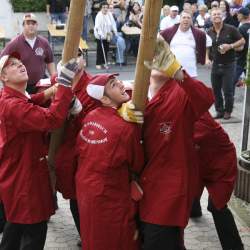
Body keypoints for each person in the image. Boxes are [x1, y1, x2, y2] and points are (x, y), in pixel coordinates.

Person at [140, 36, 214, 250]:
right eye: (151, 52)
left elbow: (206, 98)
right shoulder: (132, 92)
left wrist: (178, 73)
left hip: (168, 189)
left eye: (162, 52)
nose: (157, 58)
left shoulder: (182, 92)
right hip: (138, 187)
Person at [0, 52, 78, 250]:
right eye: (12, 65)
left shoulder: (9, 98)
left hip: (18, 177)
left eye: (20, 62)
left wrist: (50, 92)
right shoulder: (13, 105)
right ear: (3, 77)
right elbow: (52, 120)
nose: (20, 65)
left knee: (15, 226)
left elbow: (29, 102)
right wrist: (65, 86)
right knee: (34, 231)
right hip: (25, 181)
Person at [75, 73, 144, 250]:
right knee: (118, 239)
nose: (121, 85)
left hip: (86, 190)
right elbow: (137, 163)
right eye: (114, 85)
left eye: (118, 81)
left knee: (92, 236)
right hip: (111, 194)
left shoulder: (90, 117)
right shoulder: (126, 127)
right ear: (105, 99)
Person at [191, 111, 244, 250]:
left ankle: (235, 247)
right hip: (200, 161)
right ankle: (194, 210)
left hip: (221, 164)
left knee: (217, 206)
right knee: (190, 193)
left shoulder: (199, 117)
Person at [0, 13, 56, 94]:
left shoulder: (44, 42)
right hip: (23, 86)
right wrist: (6, 83)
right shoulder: (15, 43)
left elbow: (50, 61)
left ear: (37, 25)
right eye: (28, 23)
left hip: (41, 84)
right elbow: (2, 61)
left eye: (33, 23)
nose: (31, 26)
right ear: (23, 25)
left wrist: (54, 79)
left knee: (45, 104)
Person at [207, 8, 245, 120]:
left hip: (229, 64)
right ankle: (219, 111)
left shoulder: (231, 29)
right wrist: (207, 59)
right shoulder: (209, 31)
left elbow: (242, 41)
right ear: (211, 17)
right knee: (216, 90)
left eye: (218, 14)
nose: (216, 16)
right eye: (214, 14)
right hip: (215, 64)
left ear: (223, 15)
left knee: (227, 90)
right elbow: (207, 47)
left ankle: (228, 111)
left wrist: (230, 46)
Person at [161, 10, 211, 78]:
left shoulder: (198, 33)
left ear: (191, 20)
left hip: (191, 72)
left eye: (188, 18)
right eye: (184, 17)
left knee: (190, 89)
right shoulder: (169, 31)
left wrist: (206, 58)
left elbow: (208, 42)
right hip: (172, 71)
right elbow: (158, 41)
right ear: (180, 19)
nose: (186, 20)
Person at [94, 1, 118, 69]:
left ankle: (104, 63)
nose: (105, 9)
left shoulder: (109, 14)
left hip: (108, 34)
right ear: (101, 8)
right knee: (100, 49)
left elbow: (113, 23)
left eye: (106, 7)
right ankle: (98, 63)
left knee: (106, 49)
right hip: (100, 35)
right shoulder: (99, 15)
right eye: (104, 7)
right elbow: (97, 26)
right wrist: (100, 34)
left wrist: (115, 31)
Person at [235, 7, 250, 87]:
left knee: (231, 81)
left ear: (242, 15)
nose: (237, 15)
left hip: (241, 59)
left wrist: (230, 47)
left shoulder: (241, 29)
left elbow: (240, 47)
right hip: (248, 59)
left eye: (238, 14)